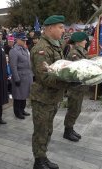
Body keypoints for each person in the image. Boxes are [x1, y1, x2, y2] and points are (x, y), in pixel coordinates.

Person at [30, 15, 78, 169]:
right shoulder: (41, 49)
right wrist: (69, 81)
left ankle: (42, 157)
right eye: (60, 27)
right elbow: (45, 77)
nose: (63, 30)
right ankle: (38, 162)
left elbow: (59, 68)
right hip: (43, 98)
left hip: (52, 97)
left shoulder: (55, 45)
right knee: (41, 131)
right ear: (50, 28)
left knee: (48, 129)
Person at [63, 32, 89, 142]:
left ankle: (71, 128)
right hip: (74, 87)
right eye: (84, 40)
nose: (86, 42)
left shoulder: (81, 51)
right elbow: (80, 69)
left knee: (77, 109)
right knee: (73, 110)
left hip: (80, 87)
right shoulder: (74, 53)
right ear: (78, 41)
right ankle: (67, 132)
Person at [9, 32, 32, 119]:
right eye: (22, 40)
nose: (24, 42)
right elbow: (13, 66)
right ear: (17, 40)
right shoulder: (14, 51)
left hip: (27, 76)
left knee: (24, 95)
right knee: (18, 96)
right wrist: (16, 78)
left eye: (25, 40)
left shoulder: (25, 49)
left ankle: (22, 110)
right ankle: (17, 112)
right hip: (20, 76)